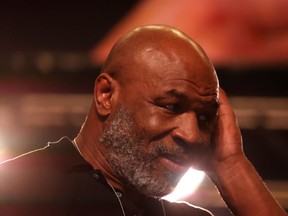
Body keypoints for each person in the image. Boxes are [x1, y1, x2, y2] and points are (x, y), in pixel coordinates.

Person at [0, 25, 286, 216]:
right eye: (171, 106)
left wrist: (232, 166)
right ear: (106, 94)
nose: (193, 135)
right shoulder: (16, 194)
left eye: (203, 117)